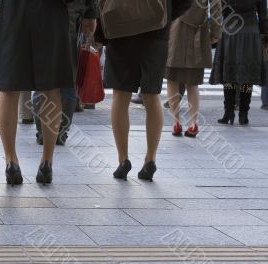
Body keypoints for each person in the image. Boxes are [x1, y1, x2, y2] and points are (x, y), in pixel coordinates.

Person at [0, 0, 92, 185]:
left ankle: (11, 161)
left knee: (9, 88)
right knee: (51, 87)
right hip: (52, 12)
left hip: (12, 13)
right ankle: (47, 161)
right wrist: (90, 12)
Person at [105, 0, 192, 182]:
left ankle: (123, 160)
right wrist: (166, 13)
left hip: (120, 23)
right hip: (156, 25)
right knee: (152, 96)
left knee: (120, 94)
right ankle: (150, 159)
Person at [32, 0, 98, 146]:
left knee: (42, 81)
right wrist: (91, 13)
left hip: (42, 16)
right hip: (72, 15)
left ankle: (43, 132)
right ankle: (61, 132)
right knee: (68, 80)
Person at [166, 0, 222, 137]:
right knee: (193, 82)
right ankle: (193, 123)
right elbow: (216, 6)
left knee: (172, 79)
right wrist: (215, 32)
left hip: (174, 31)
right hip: (197, 31)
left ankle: (176, 123)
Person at [210, 0, 268, 125]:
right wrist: (265, 36)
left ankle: (228, 112)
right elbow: (263, 15)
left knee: (229, 75)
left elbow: (220, 9)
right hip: (250, 32)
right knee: (247, 77)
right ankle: (243, 114)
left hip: (230, 31)